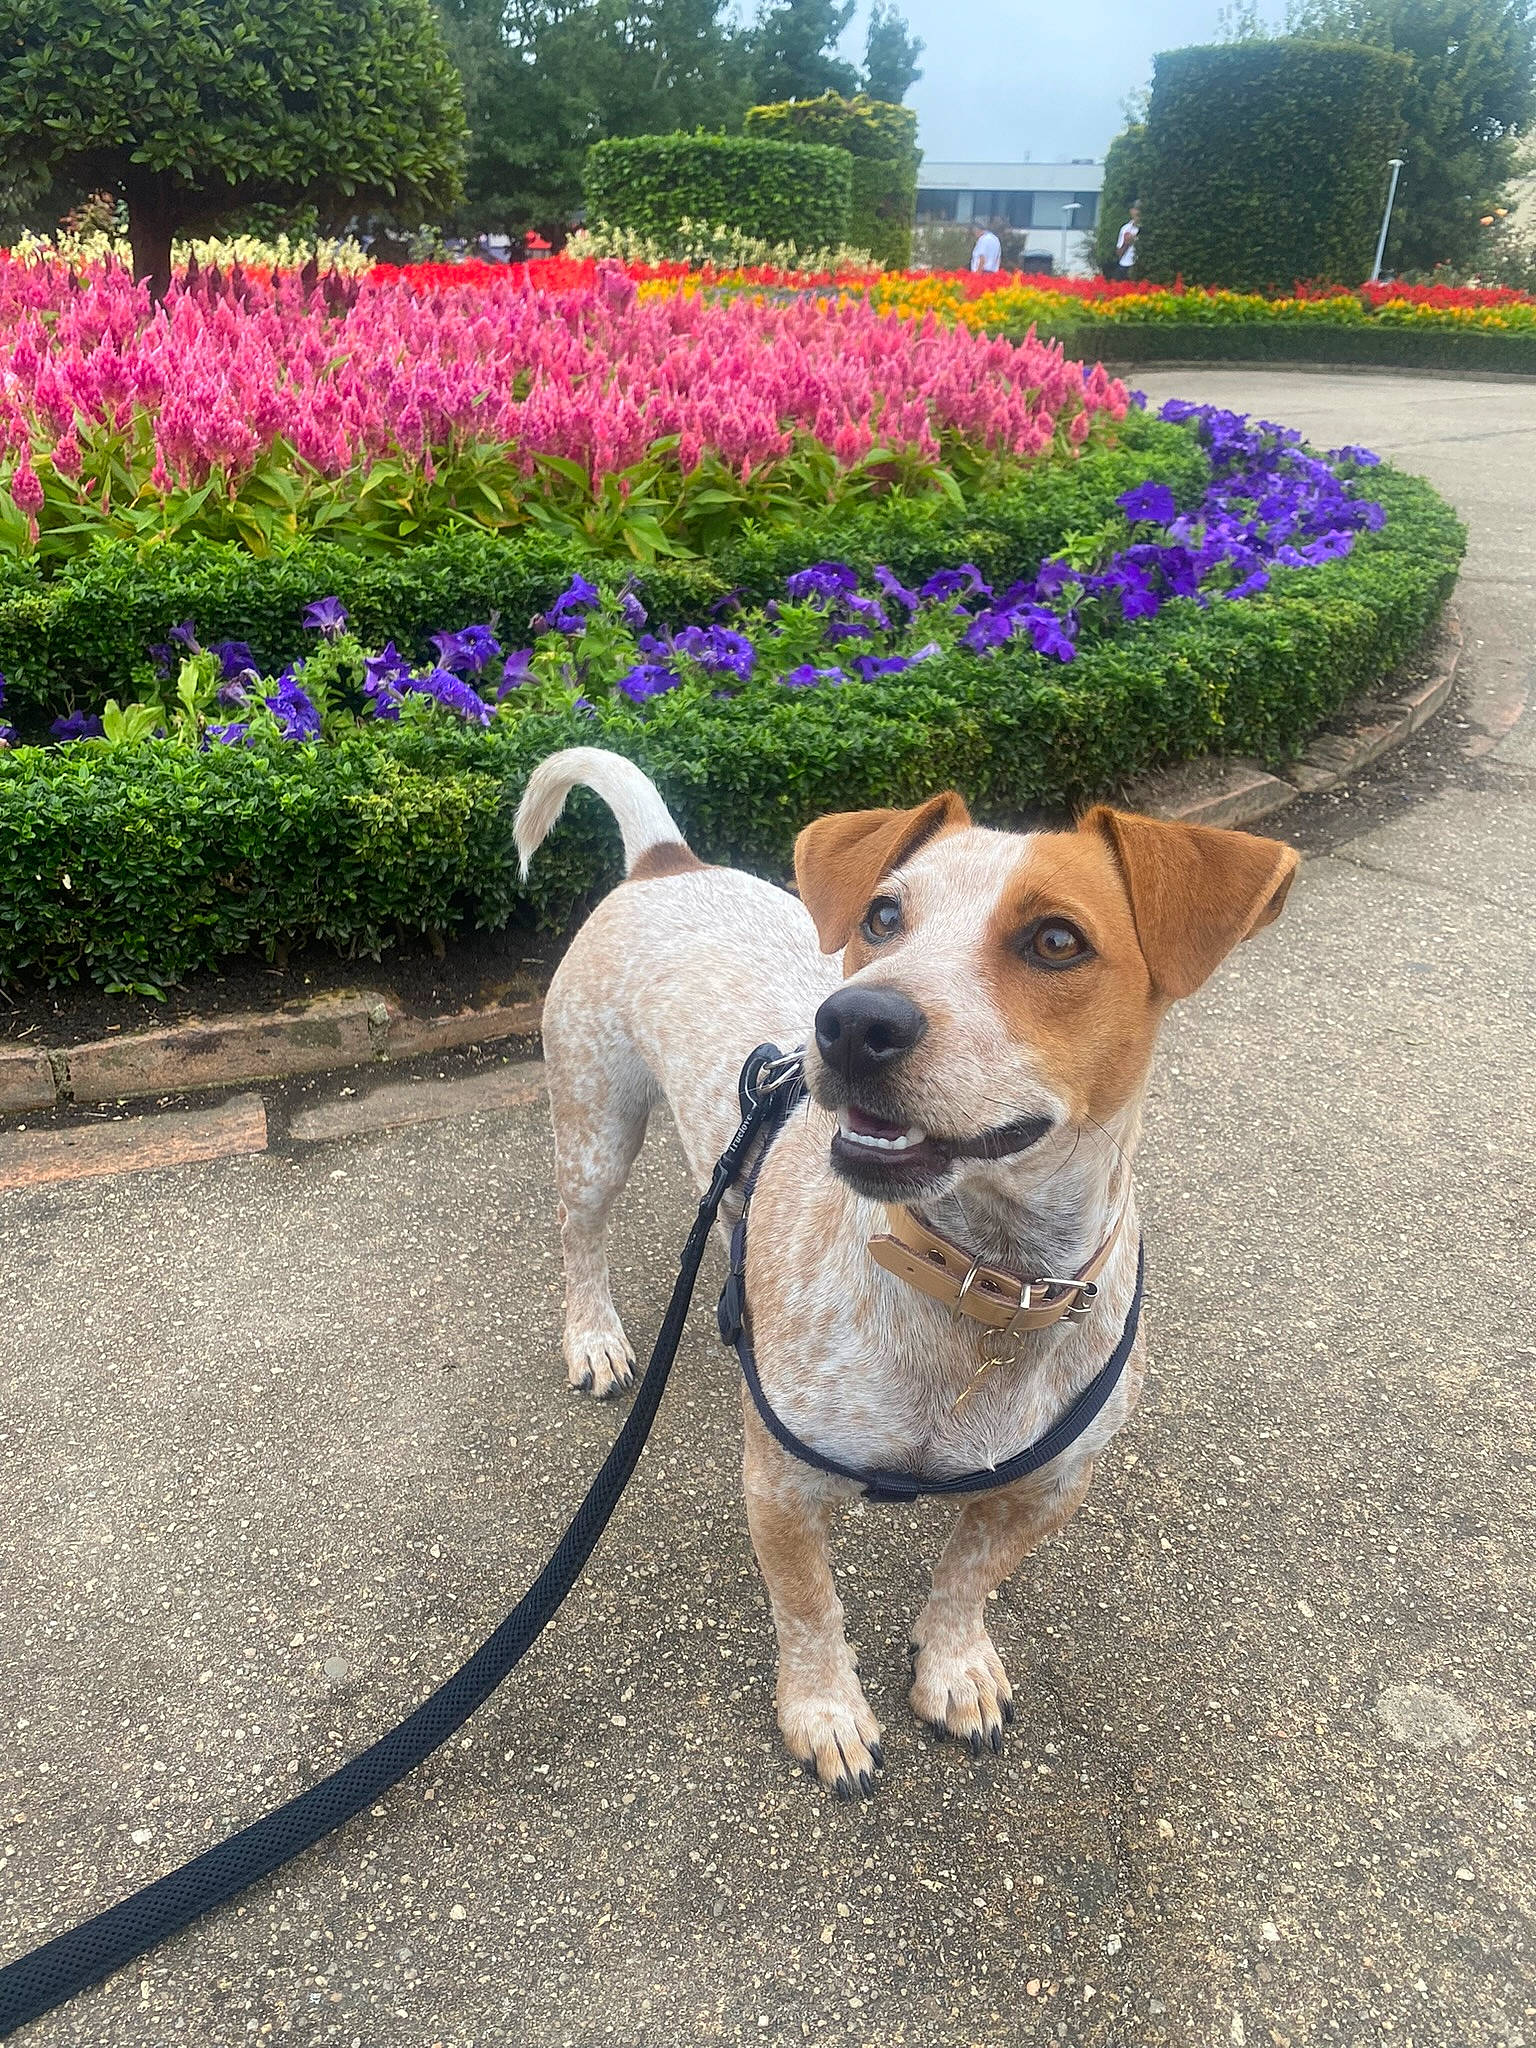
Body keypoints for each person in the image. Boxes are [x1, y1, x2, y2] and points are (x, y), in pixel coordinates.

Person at [1108, 201, 1140, 280]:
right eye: (1136, 209)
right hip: (1124, 265)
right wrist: (1126, 243)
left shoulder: (1148, 228)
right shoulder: (1125, 228)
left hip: (1139, 266)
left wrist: (1135, 240)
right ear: (1131, 211)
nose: (1138, 212)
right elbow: (1118, 252)